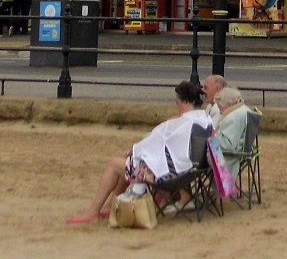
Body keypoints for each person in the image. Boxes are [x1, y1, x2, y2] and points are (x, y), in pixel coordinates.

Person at [67, 80, 214, 225]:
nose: (176, 105)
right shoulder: (205, 119)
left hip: (170, 176)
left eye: (177, 101)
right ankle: (110, 205)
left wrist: (132, 151)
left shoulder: (177, 123)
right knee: (130, 165)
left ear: (185, 102)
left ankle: (92, 211)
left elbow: (152, 142)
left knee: (116, 164)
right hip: (193, 171)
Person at [212, 85, 251, 176]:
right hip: (238, 153)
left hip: (227, 157)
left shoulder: (232, 117)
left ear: (229, 104)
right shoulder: (243, 109)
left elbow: (227, 145)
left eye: (220, 107)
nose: (220, 112)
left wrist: (210, 137)